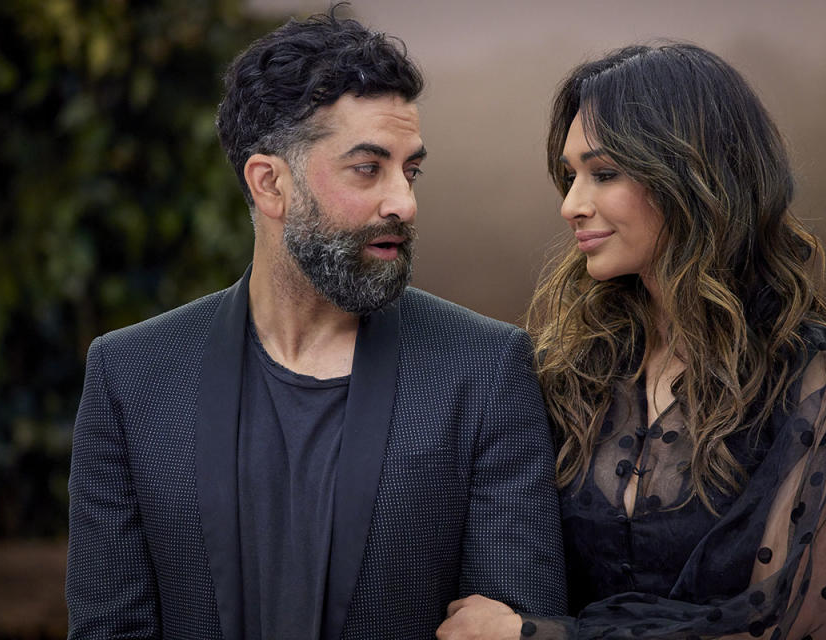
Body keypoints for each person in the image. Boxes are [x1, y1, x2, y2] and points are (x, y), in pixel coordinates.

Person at [66, 12, 566, 640]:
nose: (404, 202)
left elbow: (517, 622)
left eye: (411, 170)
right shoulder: (133, 375)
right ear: (270, 183)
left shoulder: (486, 367)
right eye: (368, 167)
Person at [438, 43, 826, 640]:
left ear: (692, 176)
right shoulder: (572, 372)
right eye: (570, 176)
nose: (570, 205)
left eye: (604, 173)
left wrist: (531, 637)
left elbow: (788, 625)